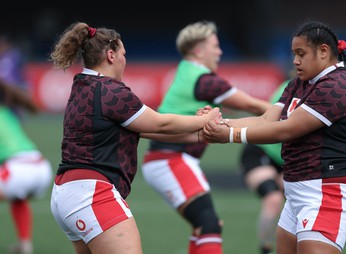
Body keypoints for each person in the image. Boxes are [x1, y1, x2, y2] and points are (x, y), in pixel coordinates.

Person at [48, 22, 222, 254]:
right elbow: (160, 122)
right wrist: (203, 120)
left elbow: (145, 129)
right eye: (123, 54)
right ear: (111, 55)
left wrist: (198, 134)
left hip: (66, 194)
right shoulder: (111, 91)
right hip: (91, 194)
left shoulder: (82, 84)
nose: (124, 60)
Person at [203, 20, 346, 254]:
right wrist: (218, 123)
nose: (295, 61)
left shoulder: (337, 86)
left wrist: (229, 135)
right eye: (293, 54)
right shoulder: (298, 83)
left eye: (301, 53)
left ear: (323, 51)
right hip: (296, 191)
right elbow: (266, 120)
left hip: (327, 192)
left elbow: (286, 129)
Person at [140, 20, 270, 254]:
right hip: (170, 160)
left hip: (167, 159)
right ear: (199, 50)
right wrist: (291, 112)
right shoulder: (204, 79)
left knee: (206, 226)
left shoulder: (186, 70)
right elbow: (251, 105)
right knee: (209, 225)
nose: (219, 51)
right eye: (215, 45)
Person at [0, 81, 53, 254]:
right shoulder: (6, 112)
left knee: (14, 190)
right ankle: (25, 245)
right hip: (41, 168)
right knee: (18, 198)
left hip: (18, 170)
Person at [239, 79, 288, 254]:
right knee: (273, 199)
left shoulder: (323, 90)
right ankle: (265, 250)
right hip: (261, 151)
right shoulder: (289, 88)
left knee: (298, 199)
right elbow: (270, 119)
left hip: (287, 158)